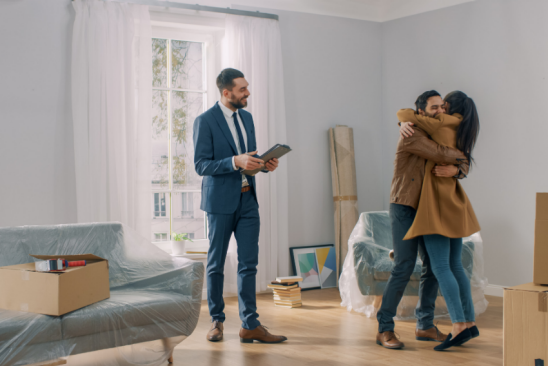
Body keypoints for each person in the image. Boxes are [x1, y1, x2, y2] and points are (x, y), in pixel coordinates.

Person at [193, 68, 286, 344]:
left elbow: (251, 159)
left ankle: (250, 324)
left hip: (248, 201)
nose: (247, 93)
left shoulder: (247, 118)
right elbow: (201, 165)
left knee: (249, 264)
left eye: (247, 87)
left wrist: (265, 165)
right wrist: (235, 161)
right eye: (242, 89)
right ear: (226, 92)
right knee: (216, 263)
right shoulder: (205, 121)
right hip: (219, 203)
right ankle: (217, 322)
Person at [376, 90, 470, 350]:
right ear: (420, 112)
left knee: (433, 267)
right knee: (404, 265)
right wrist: (461, 160)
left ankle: (425, 325)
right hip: (405, 206)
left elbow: (455, 157)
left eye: (442, 107)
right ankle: (384, 328)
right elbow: (441, 153)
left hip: (427, 207)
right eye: (434, 108)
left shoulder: (435, 130)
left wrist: (459, 168)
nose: (440, 111)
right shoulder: (412, 134)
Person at [397, 90, 481, 351]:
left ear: (448, 108)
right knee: (455, 265)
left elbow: (407, 113)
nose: (440, 111)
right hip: (454, 201)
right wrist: (459, 168)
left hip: (436, 204)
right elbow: (463, 161)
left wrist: (402, 120)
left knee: (441, 266)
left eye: (442, 106)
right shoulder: (462, 129)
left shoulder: (441, 123)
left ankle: (457, 324)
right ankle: (468, 322)